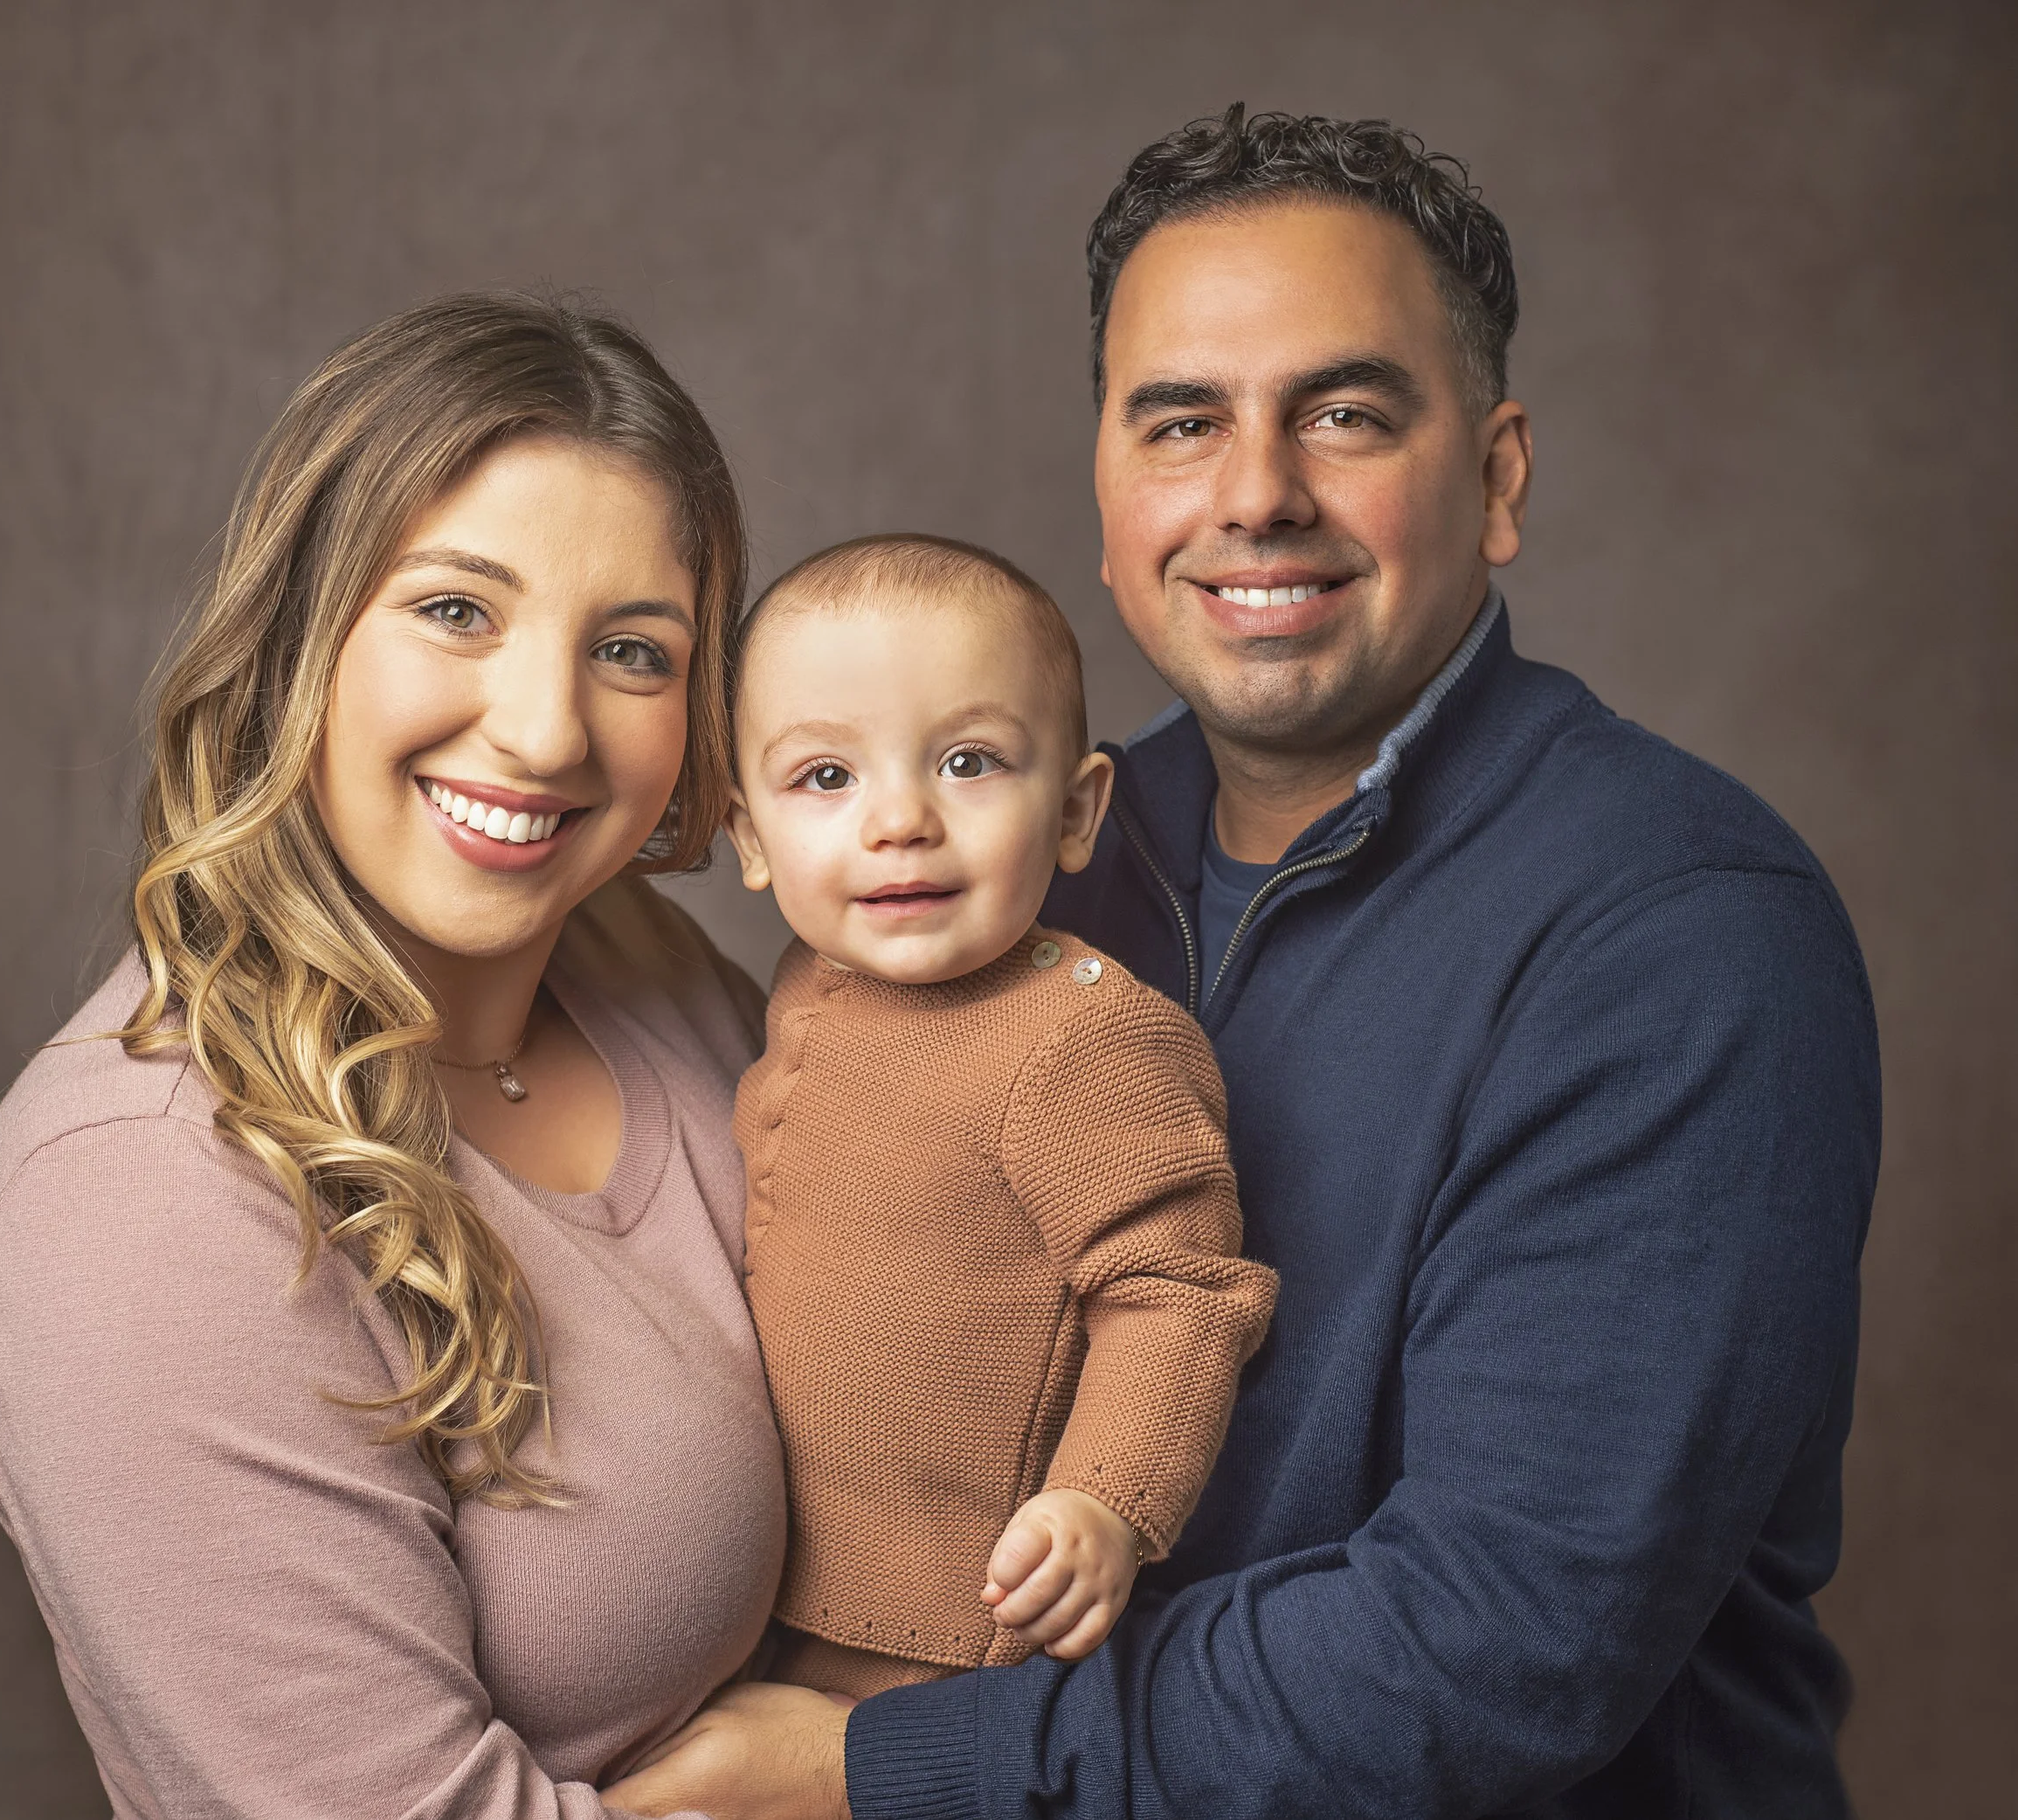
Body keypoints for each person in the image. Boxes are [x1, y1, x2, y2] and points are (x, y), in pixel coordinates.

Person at [603, 107, 1879, 1820]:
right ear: (1113, 494)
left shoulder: (1675, 933)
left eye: (1344, 415)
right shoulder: (1000, 884)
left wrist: (873, 1765)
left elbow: (1501, 1641)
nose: (1254, 496)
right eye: (1181, 423)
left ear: (1493, 477)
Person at [0, 293, 789, 1818]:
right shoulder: (134, 1201)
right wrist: (873, 1777)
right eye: (456, 609)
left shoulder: (655, 974)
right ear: (297, 634)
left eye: (635, 651)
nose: (542, 731)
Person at [722, 534, 1277, 1701]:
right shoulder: (804, 984)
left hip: (960, 1630)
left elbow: (1175, 1290)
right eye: (827, 777)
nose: (900, 821)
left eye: (968, 761)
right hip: (761, 1597)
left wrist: (1105, 1499)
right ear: (750, 840)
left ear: (1075, 813)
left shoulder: (1083, 1037)